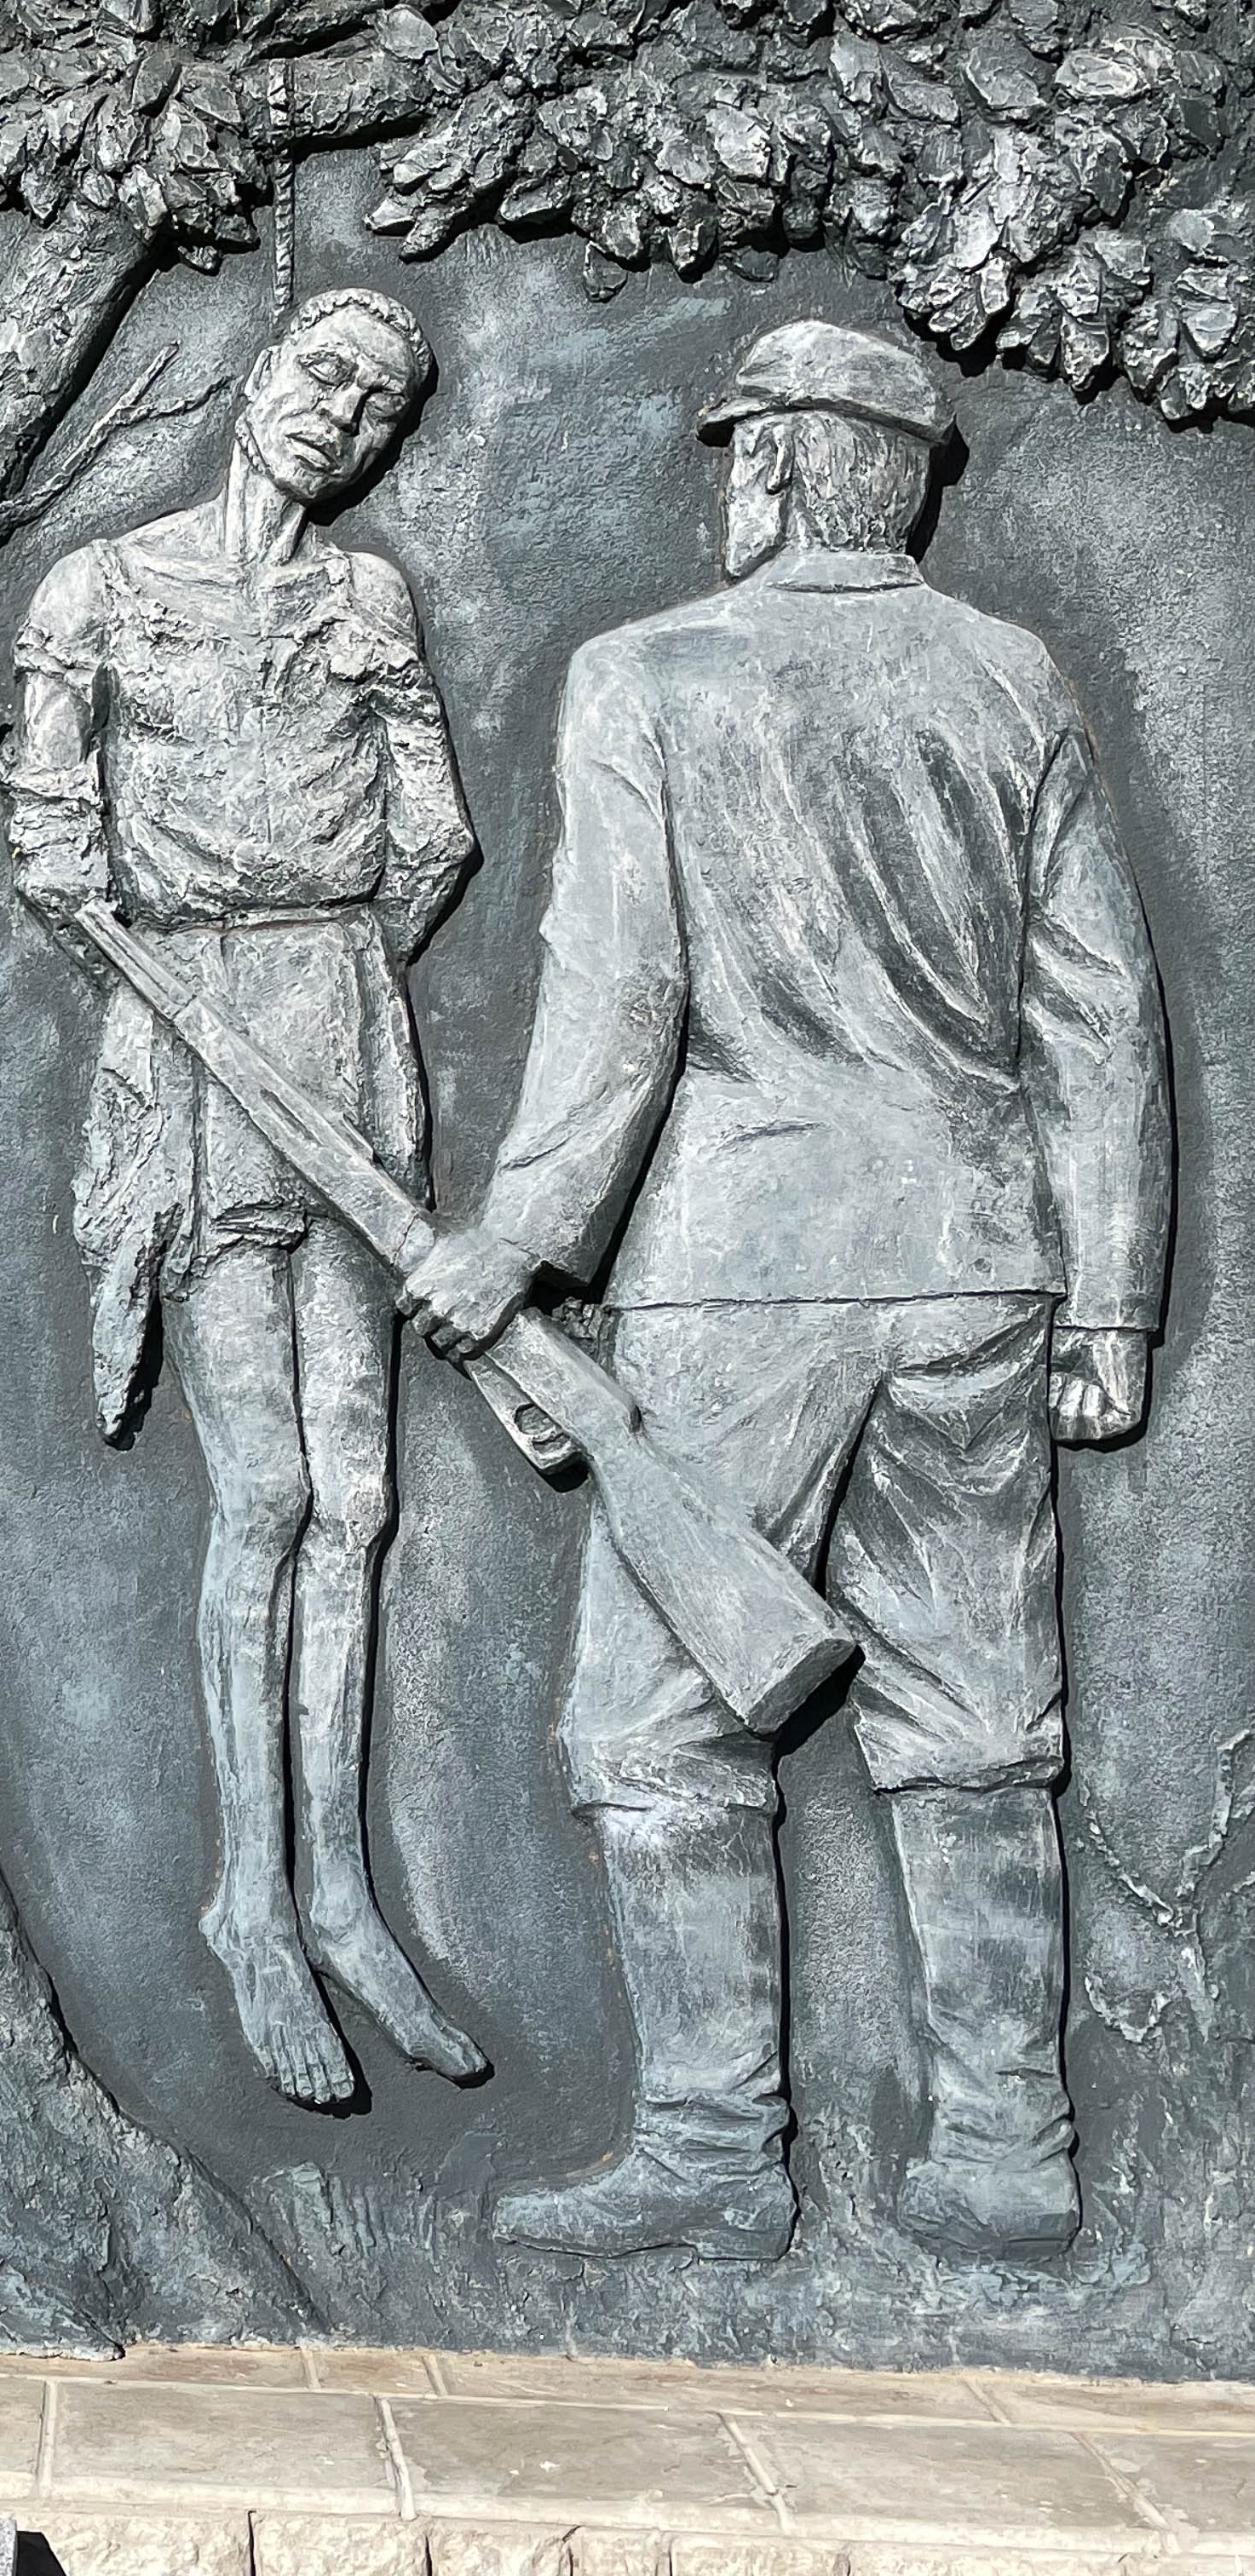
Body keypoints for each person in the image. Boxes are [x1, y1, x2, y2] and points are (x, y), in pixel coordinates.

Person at [400, 319, 1172, 2262]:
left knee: (662, 1725)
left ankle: (713, 2152)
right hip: (976, 1271)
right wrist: (1113, 1302)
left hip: (738, 1276)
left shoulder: (648, 674)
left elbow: (622, 992)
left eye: (734, 455)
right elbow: (1098, 1015)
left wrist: (521, 1235)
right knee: (979, 1719)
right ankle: (1007, 2154)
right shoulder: (1011, 675)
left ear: (771, 467)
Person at [5, 289, 486, 2107]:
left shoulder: (371, 601)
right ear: (264, 372)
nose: (339, 419)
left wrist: (323, 959)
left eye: (380, 408)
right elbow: (51, 844)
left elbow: (434, 832)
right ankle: (252, 1905)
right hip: (186, 1037)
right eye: (324, 377)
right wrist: (194, 977)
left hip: (341, 1026)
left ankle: (346, 1894)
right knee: (265, 1490)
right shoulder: (101, 591)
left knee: (359, 1497)